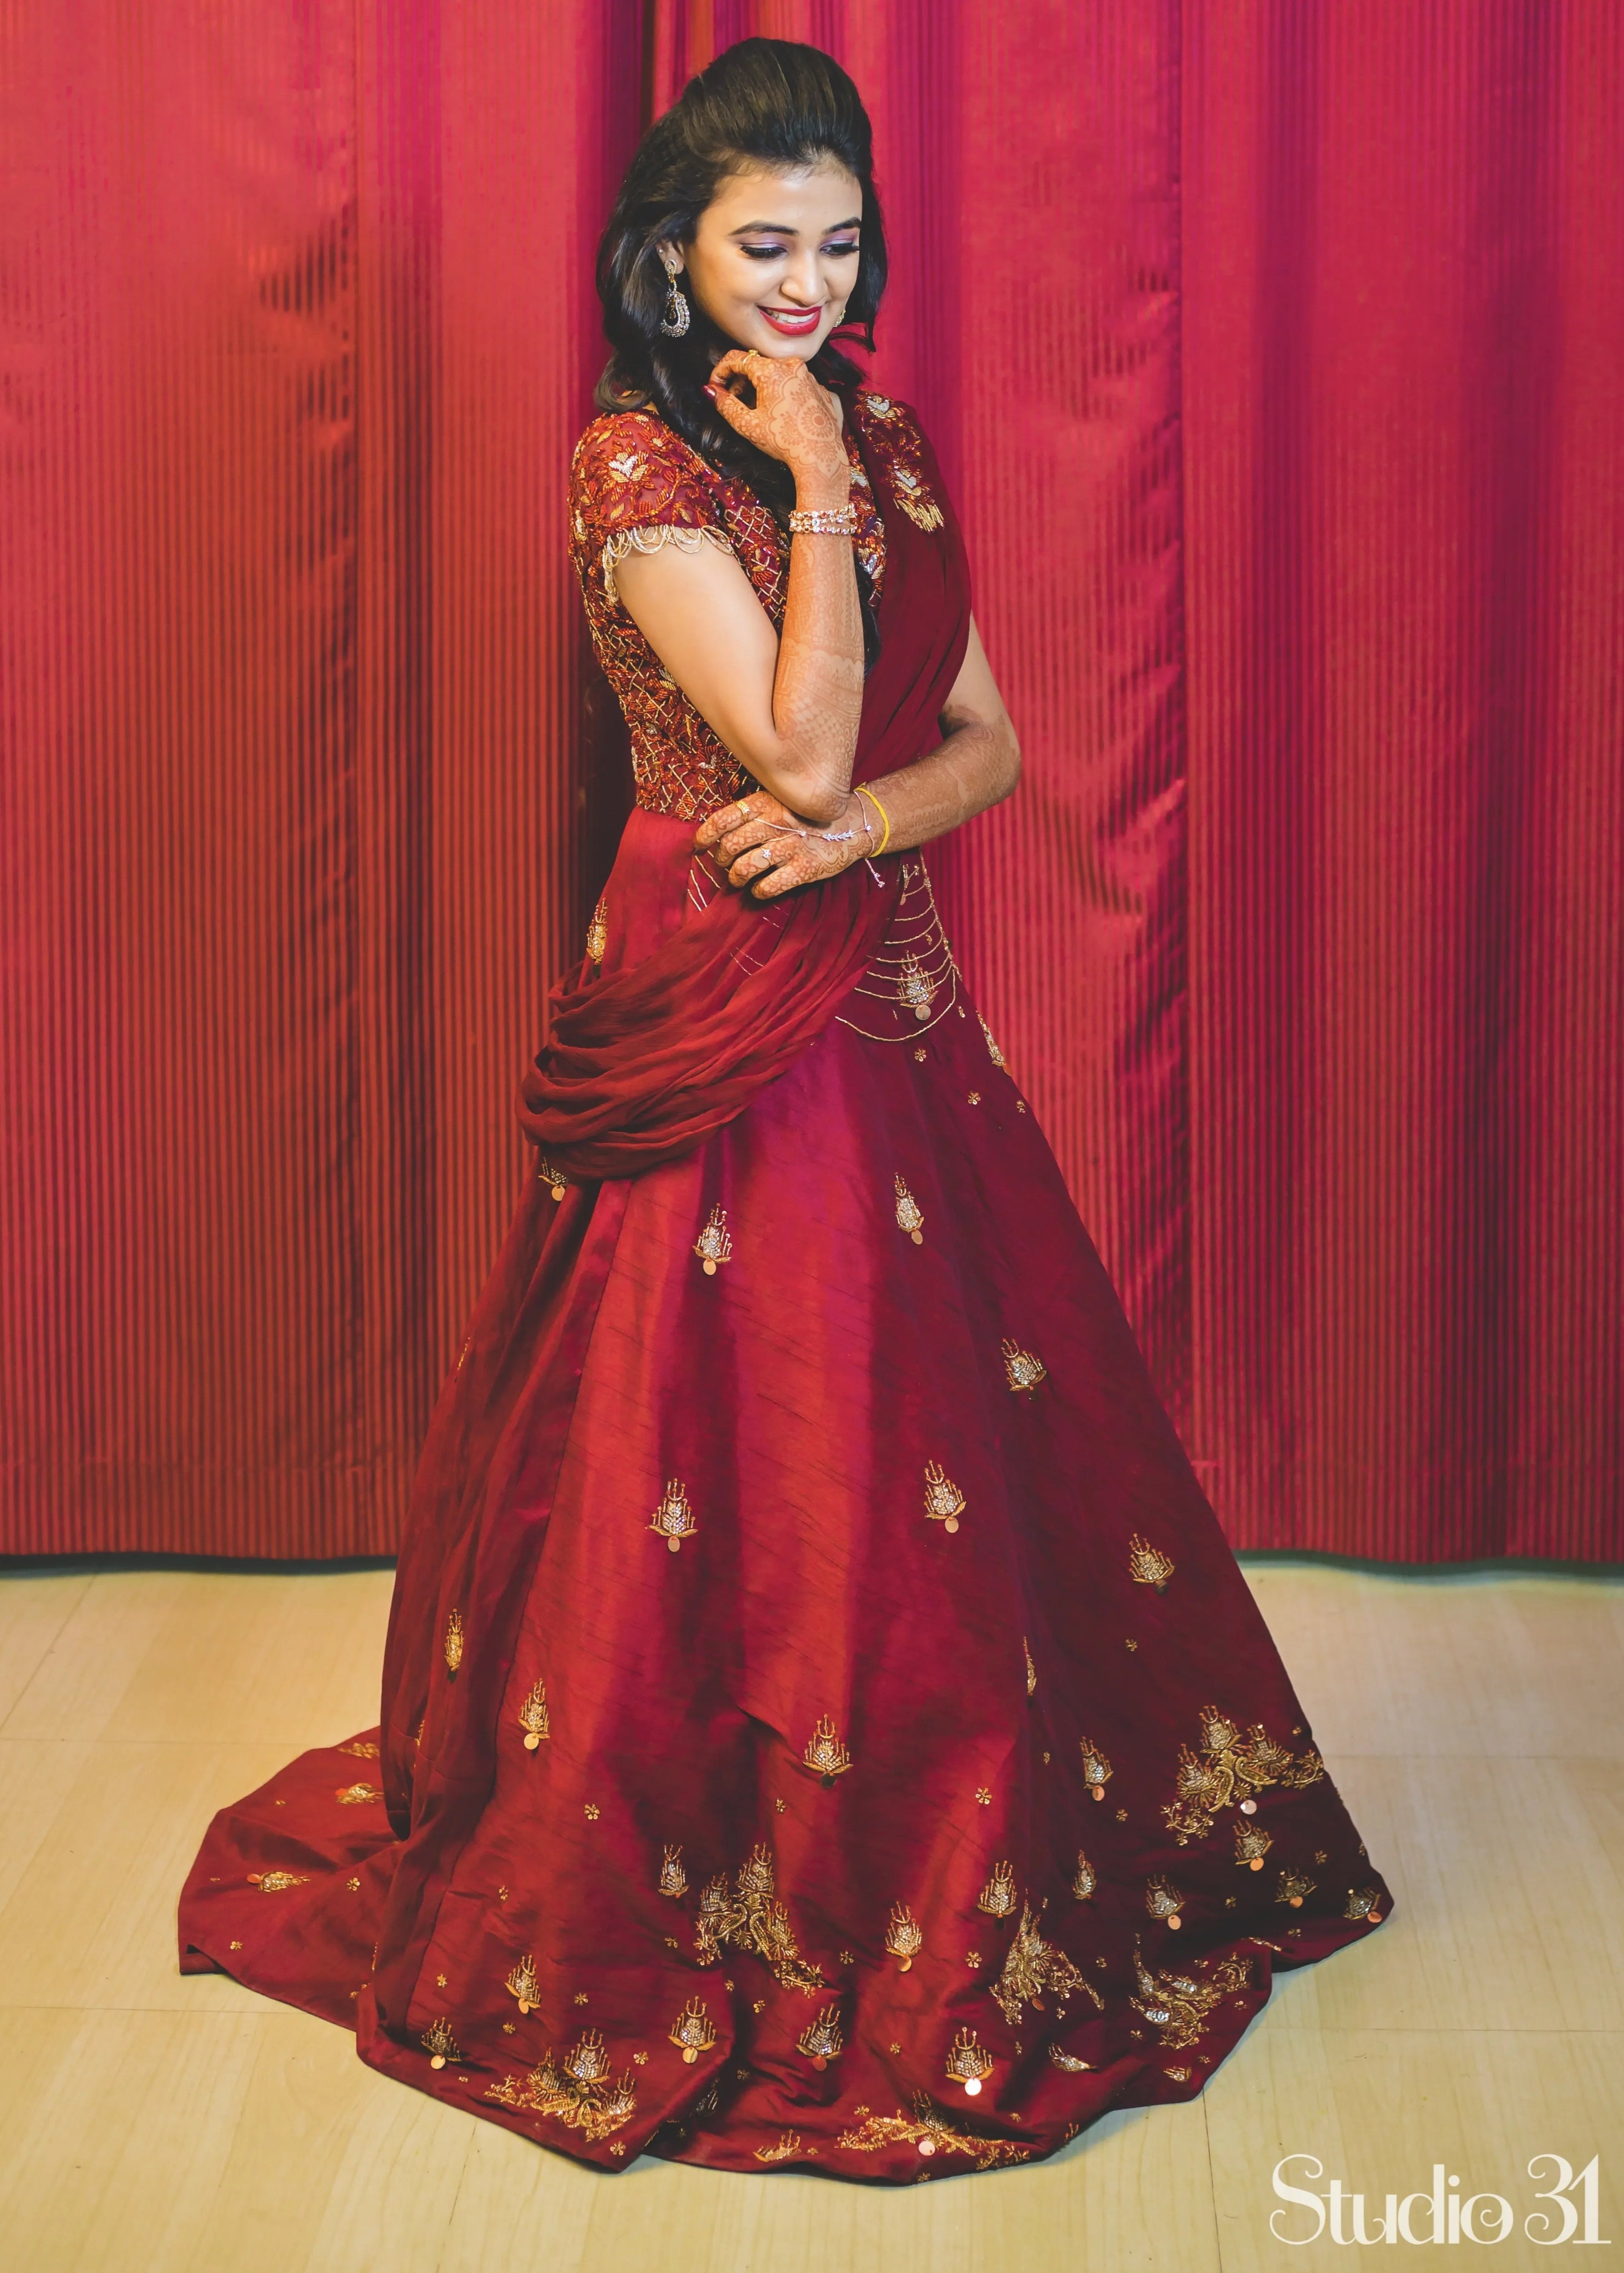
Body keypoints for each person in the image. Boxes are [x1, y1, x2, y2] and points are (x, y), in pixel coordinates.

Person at [179, 38, 1392, 2184]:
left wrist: (853, 826)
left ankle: (930, 1828)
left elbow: (978, 747)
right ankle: (708, 1838)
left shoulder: (882, 433)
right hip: (711, 982)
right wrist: (819, 514)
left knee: (927, 1412)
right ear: (672, 257)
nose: (806, 282)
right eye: (763, 245)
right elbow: (800, 743)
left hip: (881, 978)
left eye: (836, 243)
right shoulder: (636, 472)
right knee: (721, 1412)